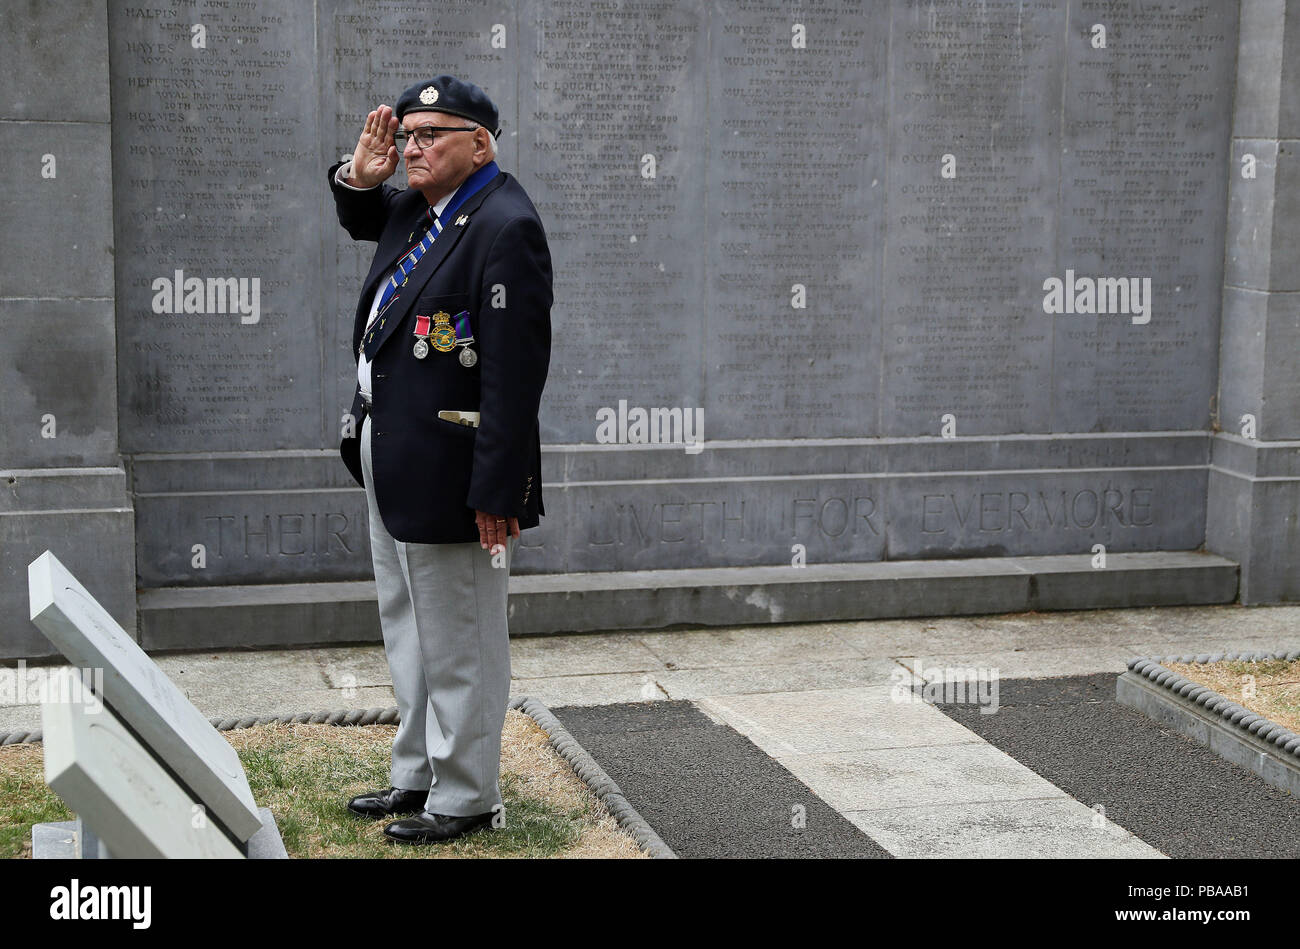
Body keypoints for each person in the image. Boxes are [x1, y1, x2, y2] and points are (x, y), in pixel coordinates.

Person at [326, 74, 552, 844]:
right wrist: (362, 173)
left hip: (456, 471)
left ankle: (466, 794)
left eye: (432, 137)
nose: (413, 149)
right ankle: (418, 770)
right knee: (410, 629)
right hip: (394, 453)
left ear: (479, 143)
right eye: (409, 136)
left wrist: (500, 488)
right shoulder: (427, 212)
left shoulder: (503, 223)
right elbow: (367, 214)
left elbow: (514, 378)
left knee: (461, 639)